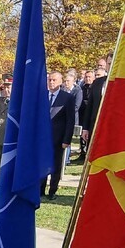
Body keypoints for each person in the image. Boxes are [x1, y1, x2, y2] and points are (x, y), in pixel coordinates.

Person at [42, 71, 75, 200]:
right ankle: (40, 189)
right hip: (42, 138)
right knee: (42, 164)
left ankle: (52, 191)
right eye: (50, 80)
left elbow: (70, 120)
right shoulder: (42, 95)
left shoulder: (67, 98)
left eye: (54, 80)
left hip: (58, 138)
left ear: (61, 82)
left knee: (55, 165)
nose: (51, 82)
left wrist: (67, 139)